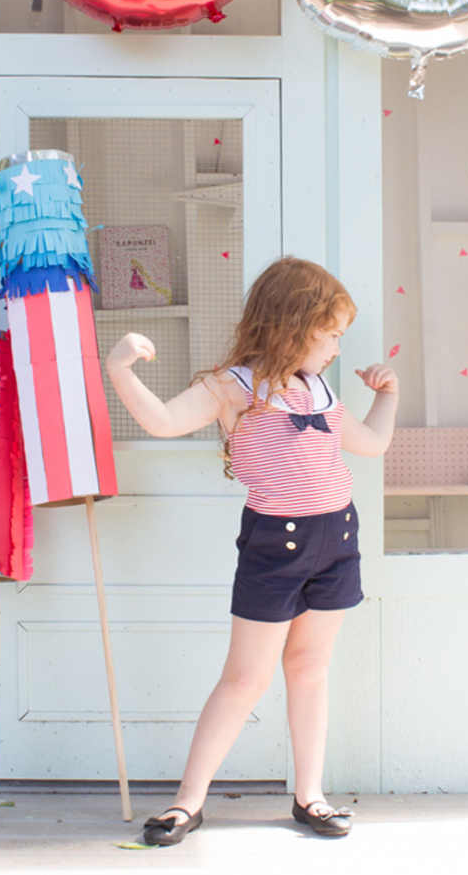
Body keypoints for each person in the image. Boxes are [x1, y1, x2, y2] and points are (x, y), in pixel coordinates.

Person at [105, 255, 398, 845]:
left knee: (310, 669)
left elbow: (369, 444)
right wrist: (120, 369)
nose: (339, 348)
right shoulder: (232, 386)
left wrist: (389, 394)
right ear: (293, 325)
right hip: (276, 545)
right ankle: (189, 802)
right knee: (244, 678)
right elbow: (162, 422)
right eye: (332, 334)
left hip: (337, 538)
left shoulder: (319, 389)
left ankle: (309, 794)